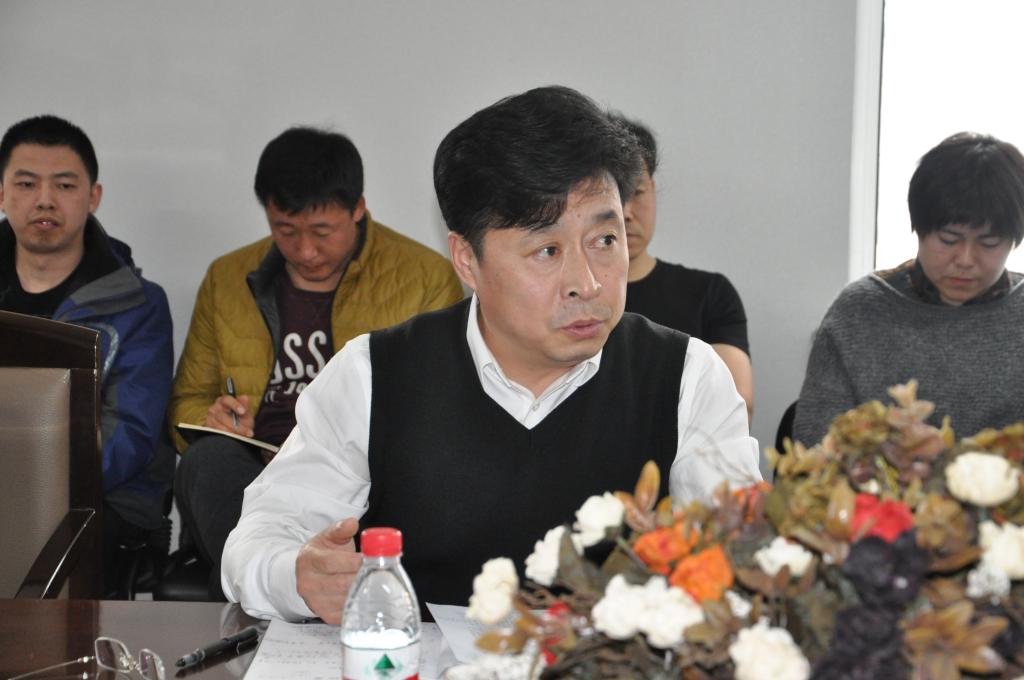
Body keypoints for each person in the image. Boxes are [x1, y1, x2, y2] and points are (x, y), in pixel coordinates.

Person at [221, 86, 761, 623]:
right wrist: (299, 575)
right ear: (466, 260)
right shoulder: (375, 375)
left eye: (605, 240)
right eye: (547, 250)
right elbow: (259, 539)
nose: (587, 282)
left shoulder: (686, 379)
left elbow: (749, 561)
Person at [170, 125, 464, 597]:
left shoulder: (424, 277)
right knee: (206, 460)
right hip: (253, 471)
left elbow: (442, 410)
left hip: (357, 474)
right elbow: (186, 401)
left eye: (322, 232)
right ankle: (278, 583)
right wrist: (213, 418)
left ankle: (266, 593)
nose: (305, 251)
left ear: (358, 208)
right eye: (285, 231)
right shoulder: (226, 278)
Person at [0, 115, 174, 592]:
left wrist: (32, 486)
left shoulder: (139, 304)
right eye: (27, 184)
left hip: (97, 498)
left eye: (64, 185)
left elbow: (130, 433)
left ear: (93, 197)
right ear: (2, 193)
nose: (44, 200)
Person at [794, 132, 1024, 446]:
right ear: (918, 227)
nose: (965, 260)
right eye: (948, 240)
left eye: (989, 243)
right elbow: (816, 443)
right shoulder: (859, 313)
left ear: (1014, 241)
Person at [610, 114, 754, 419]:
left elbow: (735, 406)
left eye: (637, 192)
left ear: (653, 188)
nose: (625, 212)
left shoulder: (710, 294)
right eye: (612, 196)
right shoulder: (570, 295)